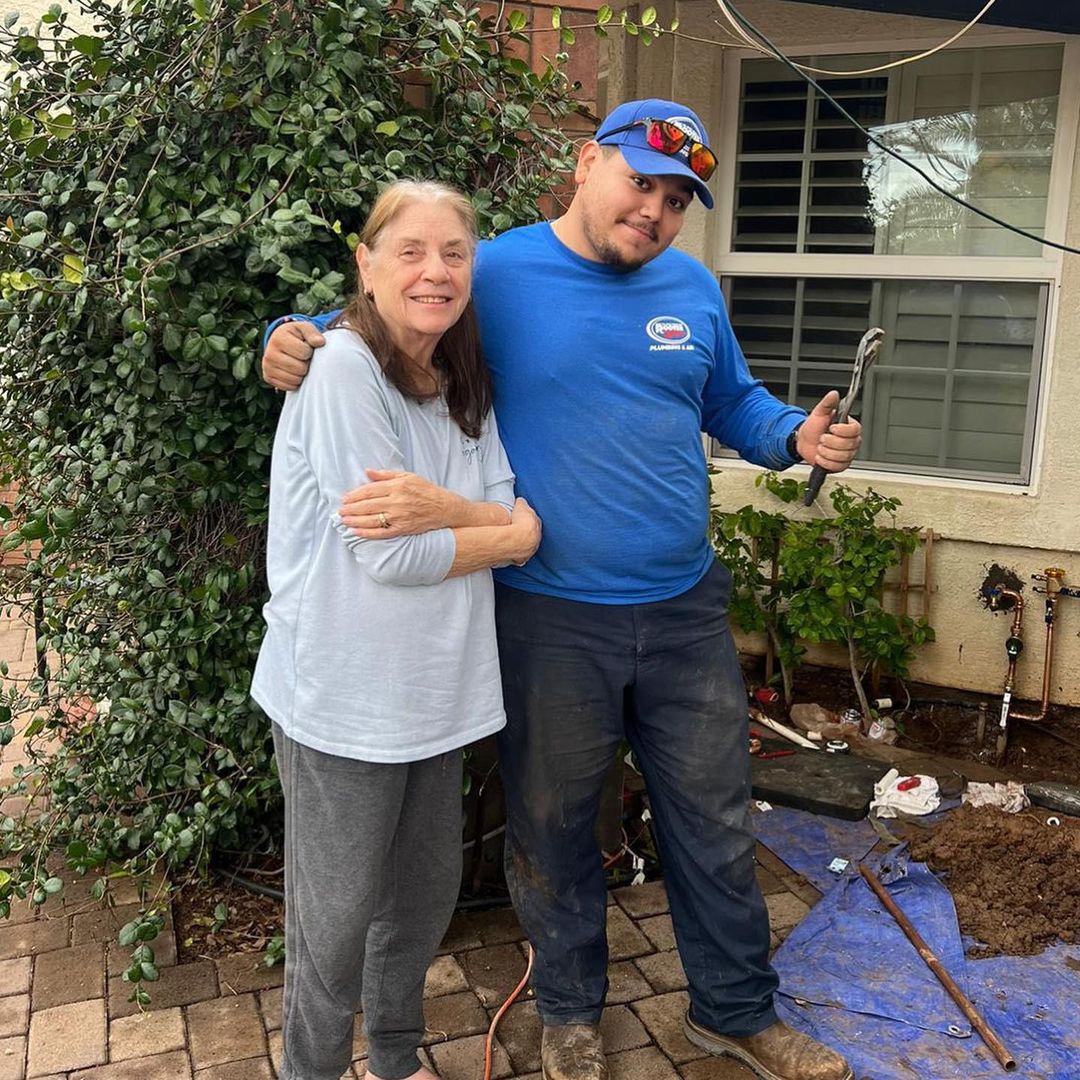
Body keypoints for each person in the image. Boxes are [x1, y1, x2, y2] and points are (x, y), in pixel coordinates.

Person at [262, 101, 861, 1080]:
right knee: (553, 828)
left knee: (714, 825)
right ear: (588, 164)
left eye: (678, 200)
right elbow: (386, 320)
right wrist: (290, 333)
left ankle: (735, 1013)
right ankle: (570, 1014)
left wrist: (793, 434)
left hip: (683, 611)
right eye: (641, 184)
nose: (656, 211)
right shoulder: (494, 271)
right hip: (551, 616)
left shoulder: (692, 287)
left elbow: (731, 402)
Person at [252, 179, 542, 1080]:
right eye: (410, 251)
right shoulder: (342, 369)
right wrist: (509, 535)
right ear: (366, 264)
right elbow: (394, 556)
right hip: (342, 698)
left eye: (454, 253)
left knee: (420, 901)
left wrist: (471, 517)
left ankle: (394, 1058)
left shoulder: (461, 378)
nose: (434, 271)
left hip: (437, 692)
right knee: (334, 922)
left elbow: (504, 507)